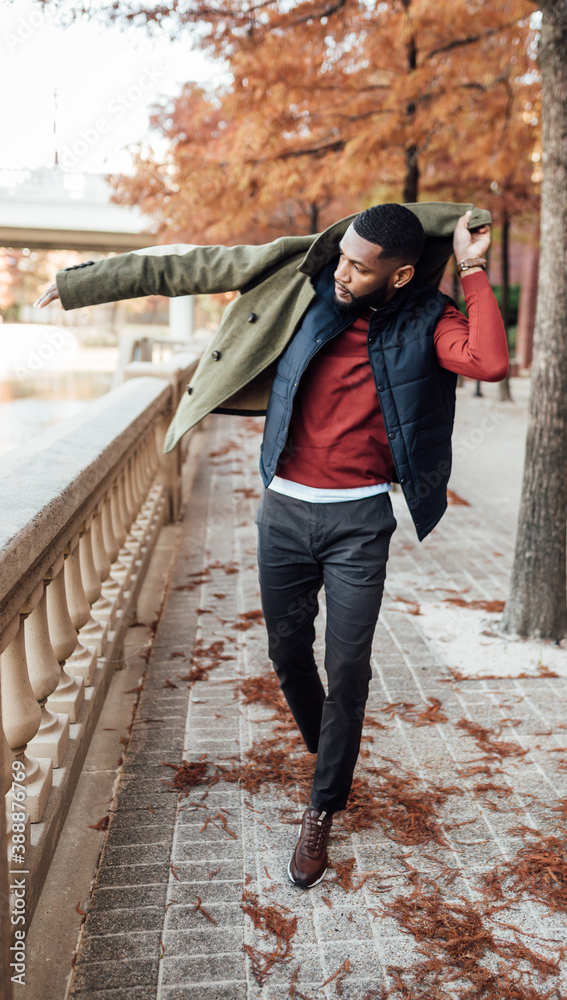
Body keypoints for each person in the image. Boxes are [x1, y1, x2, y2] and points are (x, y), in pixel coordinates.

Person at [35, 202, 508, 889]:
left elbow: (490, 360)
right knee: (287, 655)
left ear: (401, 274)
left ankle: (322, 807)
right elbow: (191, 265)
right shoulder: (302, 284)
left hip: (358, 525)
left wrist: (471, 268)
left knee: (347, 671)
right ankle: (334, 759)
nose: (342, 270)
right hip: (284, 514)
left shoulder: (427, 321)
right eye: (342, 255)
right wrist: (86, 284)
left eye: (360, 266)